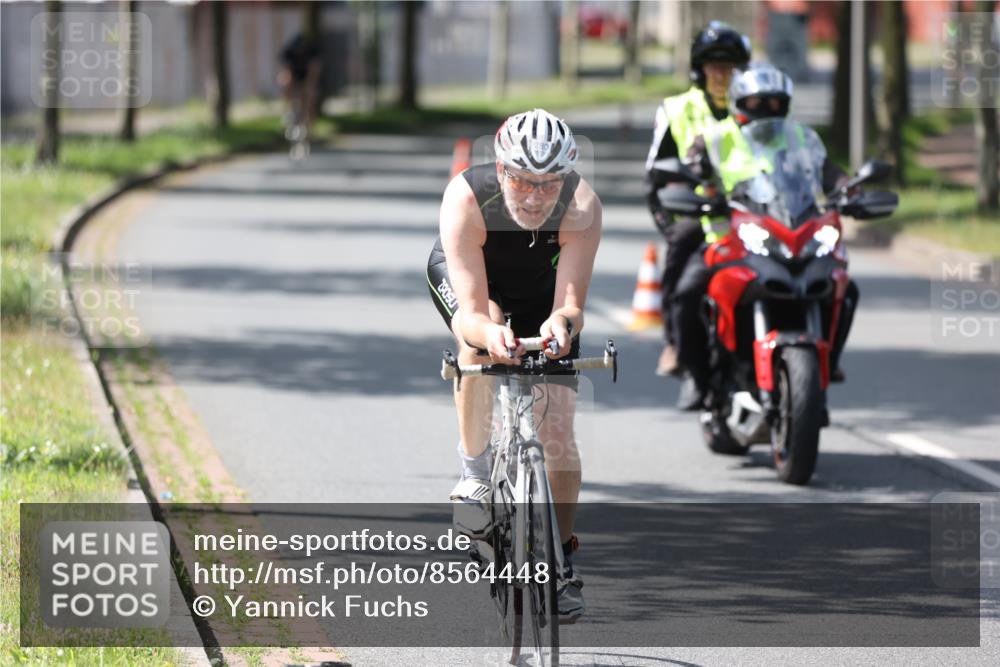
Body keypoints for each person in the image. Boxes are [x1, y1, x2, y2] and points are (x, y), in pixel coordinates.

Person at [426, 109, 602, 622]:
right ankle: (475, 473)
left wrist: (561, 328)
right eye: (522, 181)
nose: (534, 196)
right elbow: (474, 315)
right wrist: (489, 333)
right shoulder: (466, 196)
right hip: (477, 285)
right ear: (500, 170)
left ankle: (561, 560)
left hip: (543, 294)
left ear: (566, 180)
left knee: (561, 431)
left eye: (549, 185)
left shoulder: (583, 205)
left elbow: (570, 304)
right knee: (481, 348)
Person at [670, 62, 859, 404]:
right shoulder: (714, 137)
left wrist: (848, 190)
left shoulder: (803, 137)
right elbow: (688, 170)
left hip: (789, 229)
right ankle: (696, 376)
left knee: (845, 286)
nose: (764, 112)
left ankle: (828, 359)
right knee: (688, 294)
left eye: (773, 104)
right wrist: (692, 181)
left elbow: (829, 173)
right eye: (756, 104)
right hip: (727, 236)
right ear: (739, 103)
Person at [643, 21, 752, 410]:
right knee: (685, 284)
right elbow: (656, 173)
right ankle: (684, 359)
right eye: (714, 65)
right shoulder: (677, 109)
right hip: (698, 217)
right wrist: (671, 219)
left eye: (730, 66)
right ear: (700, 68)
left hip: (752, 221)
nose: (722, 74)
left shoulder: (756, 109)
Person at [277, 33, 321, 141]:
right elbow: (286, 71)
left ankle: (310, 128)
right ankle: (286, 113)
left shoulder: (312, 52)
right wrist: (289, 86)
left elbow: (314, 70)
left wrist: (309, 86)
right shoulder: (288, 52)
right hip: (294, 77)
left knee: (310, 96)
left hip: (307, 77)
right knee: (284, 81)